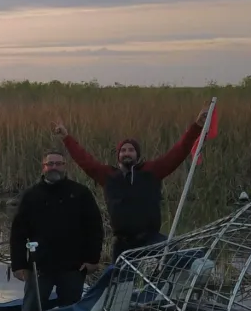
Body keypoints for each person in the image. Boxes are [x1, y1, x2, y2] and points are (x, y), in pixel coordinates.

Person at [53, 109, 207, 260]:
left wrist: (197, 126)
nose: (127, 153)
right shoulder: (108, 176)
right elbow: (85, 161)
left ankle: (189, 265)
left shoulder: (152, 171)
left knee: (172, 257)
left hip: (151, 238)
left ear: (137, 155)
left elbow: (178, 152)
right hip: (123, 242)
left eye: (131, 150)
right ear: (118, 156)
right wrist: (66, 138)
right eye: (123, 150)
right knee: (121, 283)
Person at [6, 150, 104, 311]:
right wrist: (19, 264)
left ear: (65, 166)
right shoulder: (31, 195)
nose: (54, 167)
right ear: (43, 167)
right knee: (30, 310)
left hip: (73, 265)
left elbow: (95, 229)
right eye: (50, 164)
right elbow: (18, 233)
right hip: (40, 266)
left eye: (59, 163)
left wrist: (92, 259)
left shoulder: (80, 193)